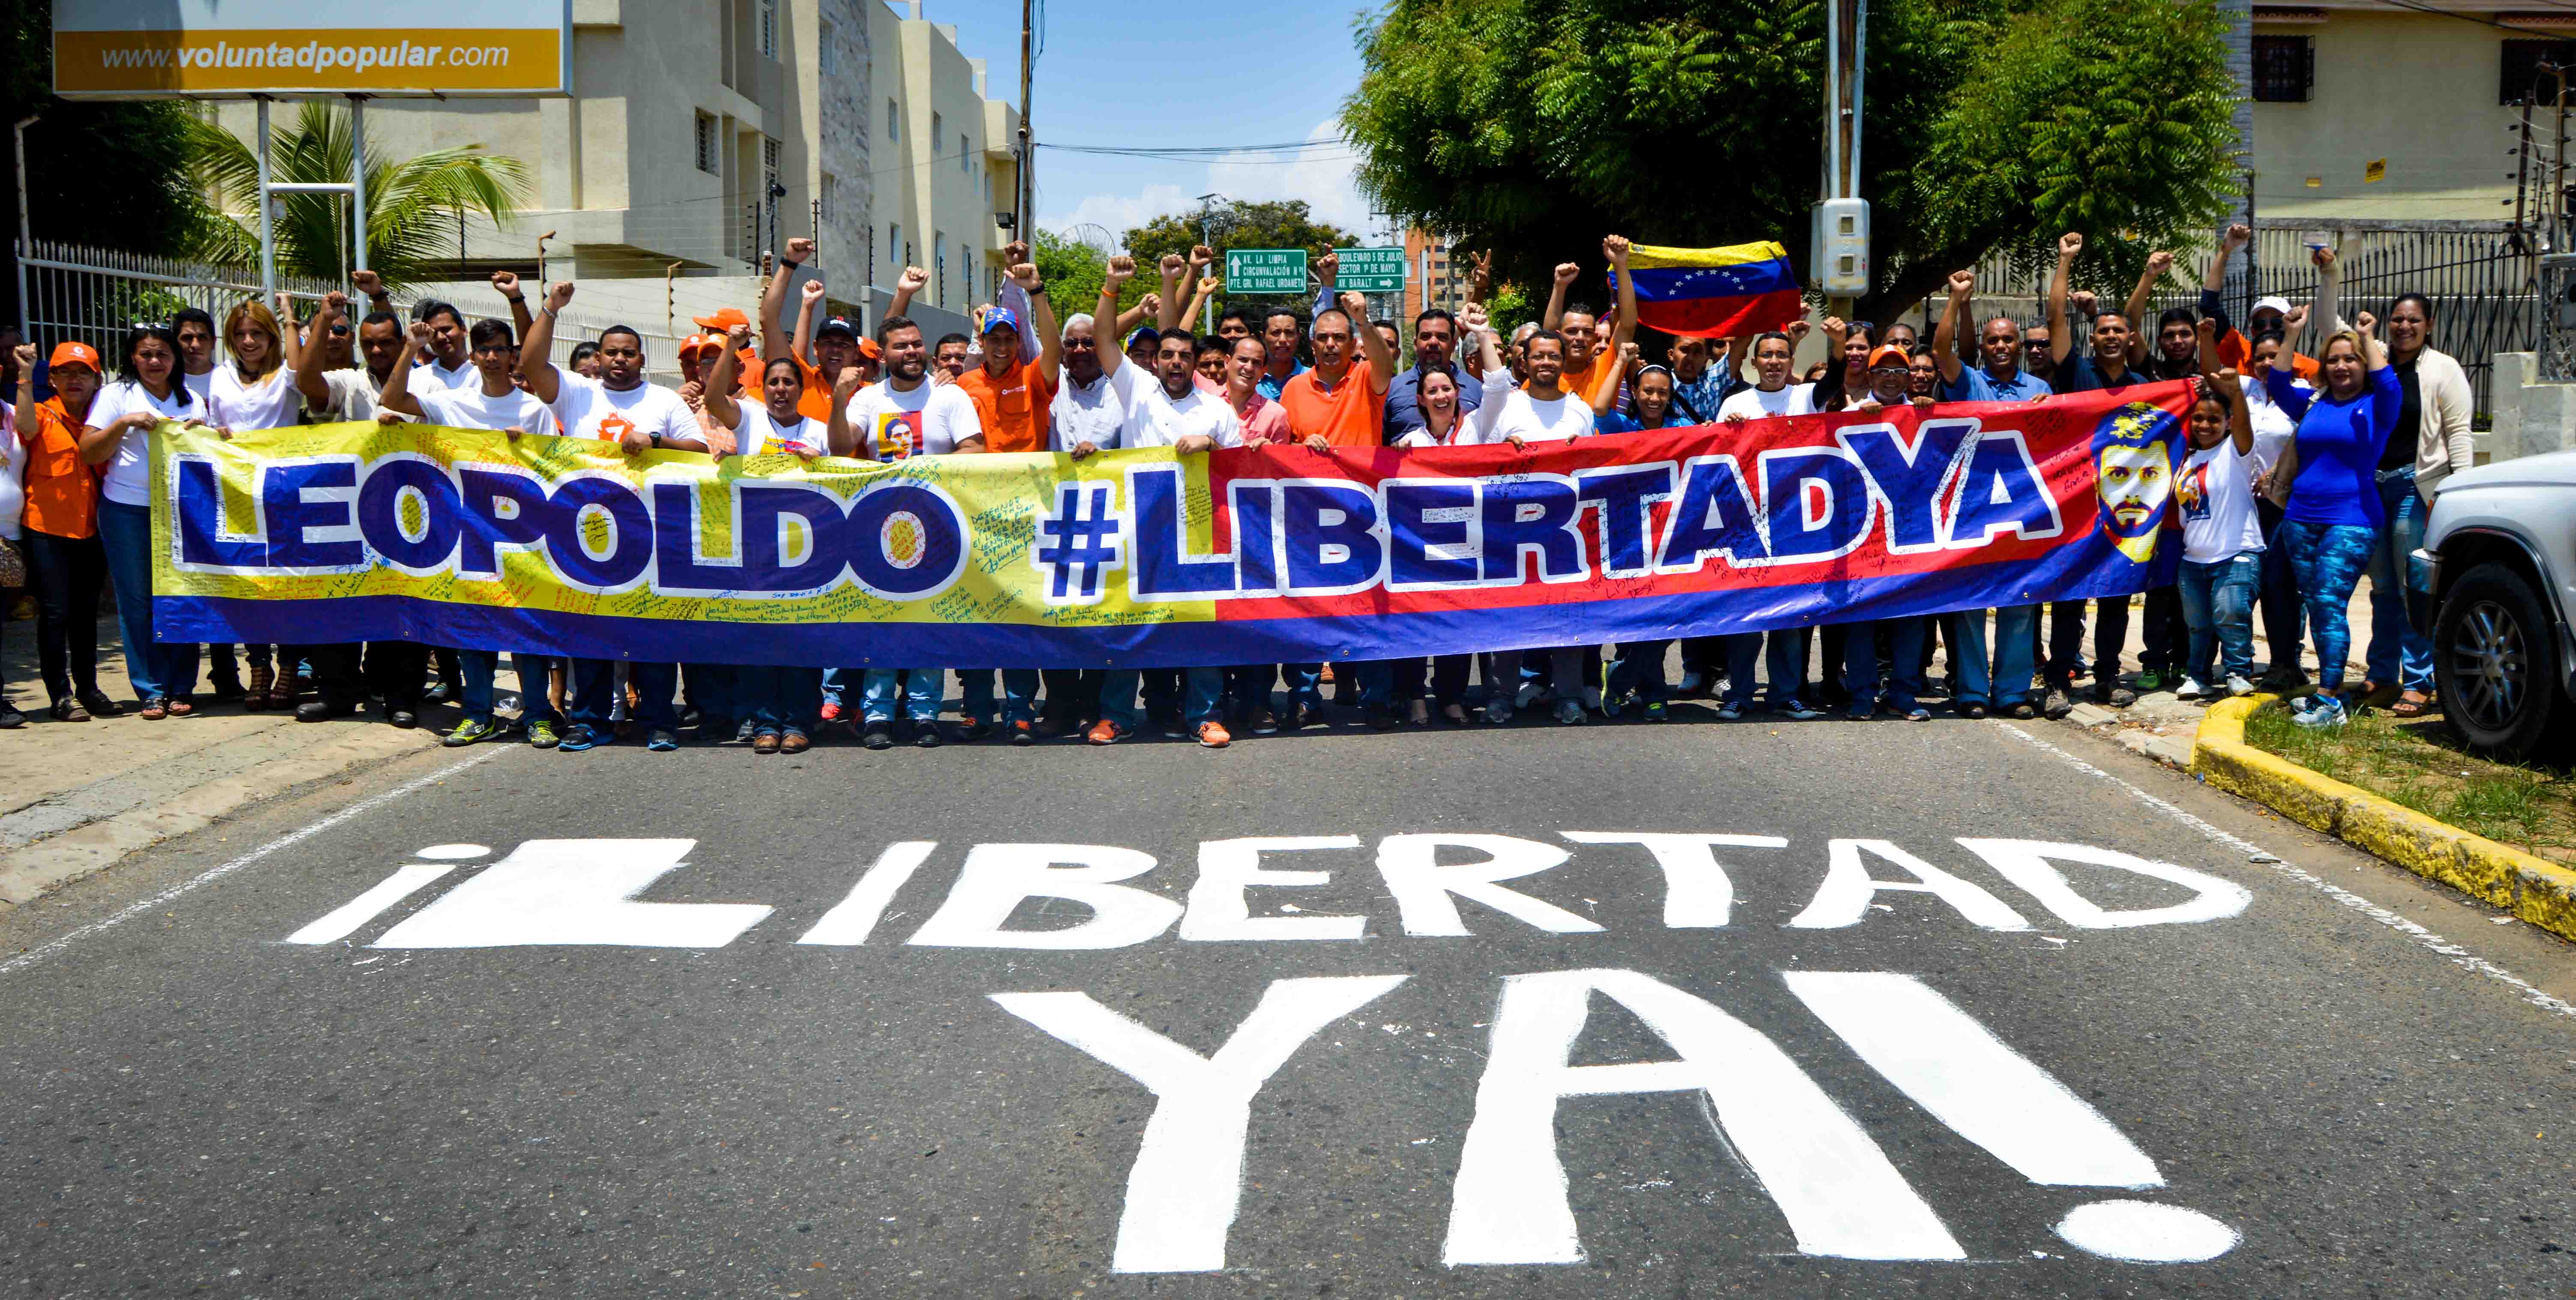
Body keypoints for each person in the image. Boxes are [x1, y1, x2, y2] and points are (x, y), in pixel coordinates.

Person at [518, 280, 703, 752]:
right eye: (612, 353)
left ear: (642, 359)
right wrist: (549, 309)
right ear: (598, 359)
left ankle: (660, 719)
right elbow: (532, 365)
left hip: (651, 536)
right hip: (586, 534)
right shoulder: (578, 392)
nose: (620, 360)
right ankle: (589, 720)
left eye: (629, 353)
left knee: (654, 633)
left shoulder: (664, 401)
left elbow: (701, 452)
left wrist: (657, 442)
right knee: (590, 631)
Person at [377, 316, 564, 746]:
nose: (493, 358)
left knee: (526, 626)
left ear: (512, 353)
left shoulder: (534, 410)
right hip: (463, 534)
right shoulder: (451, 402)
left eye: (500, 349)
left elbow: (555, 472)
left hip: (520, 536)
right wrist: (410, 347)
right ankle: (479, 714)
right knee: (471, 629)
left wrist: (525, 452)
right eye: (484, 350)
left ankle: (537, 714)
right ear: (474, 356)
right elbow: (391, 398)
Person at [1085, 256, 1245, 747]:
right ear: (1155, 361)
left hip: (1200, 535)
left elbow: (1244, 474)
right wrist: (1112, 286)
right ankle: (1117, 715)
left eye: (1184, 356)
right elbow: (1104, 339)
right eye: (1167, 355)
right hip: (1139, 532)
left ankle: (1205, 716)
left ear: (1195, 364)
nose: (1175, 363)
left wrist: (1211, 447)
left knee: (1200, 630)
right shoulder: (1137, 390)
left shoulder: (1217, 410)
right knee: (1129, 624)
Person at [838, 311, 985, 749]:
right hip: (877, 527)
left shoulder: (950, 397)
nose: (912, 352)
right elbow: (841, 447)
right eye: (901, 346)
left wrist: (922, 473)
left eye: (917, 344)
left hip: (938, 528)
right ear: (883, 355)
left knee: (927, 621)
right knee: (883, 622)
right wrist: (837, 399)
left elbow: (974, 450)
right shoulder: (867, 399)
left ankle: (924, 712)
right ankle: (879, 713)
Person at [1460, 296, 1597, 725]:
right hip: (1509, 532)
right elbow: (1483, 447)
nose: (1546, 363)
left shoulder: (1580, 410)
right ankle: (1501, 696)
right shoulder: (1504, 405)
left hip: (1564, 535)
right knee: (1506, 618)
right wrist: (1481, 334)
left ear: (1563, 362)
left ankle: (1569, 696)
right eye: (1538, 356)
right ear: (1525, 360)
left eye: (1553, 356)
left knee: (1568, 617)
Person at [699, 327, 834, 754]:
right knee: (757, 641)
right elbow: (713, 399)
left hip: (804, 556)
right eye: (773, 382)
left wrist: (822, 464)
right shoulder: (751, 416)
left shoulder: (820, 431)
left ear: (801, 388)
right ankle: (765, 723)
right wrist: (730, 347)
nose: (780, 389)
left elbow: (839, 491)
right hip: (754, 552)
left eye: (788, 382)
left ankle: (799, 722)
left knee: (799, 642)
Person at [2268, 304, 2400, 729]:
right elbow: (2277, 382)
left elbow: (2389, 382)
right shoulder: (2313, 402)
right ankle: (2329, 690)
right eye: (2334, 359)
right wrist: (2291, 334)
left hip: (2353, 518)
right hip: (2301, 519)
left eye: (2351, 359)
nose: (2342, 366)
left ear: (2364, 363)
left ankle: (2329, 701)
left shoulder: (2378, 406)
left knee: (2329, 601)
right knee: (2317, 604)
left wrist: (2366, 336)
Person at [2040, 231, 2156, 715]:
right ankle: (2058, 681)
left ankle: (2108, 676)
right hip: (2077, 506)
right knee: (2070, 599)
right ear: (2094, 338)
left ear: (2131, 339)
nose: (2112, 336)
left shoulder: (2146, 386)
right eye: (2104, 331)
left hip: (2125, 507)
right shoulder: (2077, 372)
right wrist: (2065, 261)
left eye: (2120, 331)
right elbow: (2055, 318)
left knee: (2115, 597)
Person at [1279, 277, 1400, 728]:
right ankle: (1306, 697)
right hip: (1309, 519)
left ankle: (1377, 698)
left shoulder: (1368, 376)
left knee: (1369, 610)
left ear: (1354, 345)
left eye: (1340, 338)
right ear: (1312, 345)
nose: (1331, 345)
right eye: (1324, 338)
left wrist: (1364, 319)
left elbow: (1386, 362)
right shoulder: (1292, 390)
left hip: (1363, 517)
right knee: (1310, 611)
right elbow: (1279, 455)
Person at [83, 323, 212, 718]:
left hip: (180, 512)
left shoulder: (192, 401)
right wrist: (123, 424)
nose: (154, 362)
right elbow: (88, 452)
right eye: (146, 355)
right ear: (133, 358)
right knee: (137, 602)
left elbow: (214, 456)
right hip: (127, 510)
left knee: (181, 595)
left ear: (175, 359)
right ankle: (150, 688)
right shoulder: (115, 395)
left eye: (163, 355)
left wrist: (207, 434)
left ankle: (181, 686)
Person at [2361, 290, 2475, 718]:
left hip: (2416, 484)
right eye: (2397, 319)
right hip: (2374, 486)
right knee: (2383, 588)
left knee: (2414, 588)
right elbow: (2326, 327)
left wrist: (2460, 492)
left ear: (2428, 325)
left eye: (2413, 320)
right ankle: (2383, 674)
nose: (2403, 326)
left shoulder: (2444, 369)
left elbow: (2459, 433)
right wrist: (2330, 273)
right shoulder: (2377, 361)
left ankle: (2421, 680)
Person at [12, 340, 118, 722]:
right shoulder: (41, 414)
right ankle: (60, 694)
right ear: (52, 378)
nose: (75, 380)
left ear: (96, 380)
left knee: (85, 614)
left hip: (91, 528)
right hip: (47, 528)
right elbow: (23, 429)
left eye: (83, 373)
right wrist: (26, 374)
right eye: (65, 372)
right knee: (55, 614)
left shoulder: (100, 419)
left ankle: (89, 689)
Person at [2173, 322, 2263, 701]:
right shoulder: (2186, 459)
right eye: (2199, 419)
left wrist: (2233, 393)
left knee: (2230, 617)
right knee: (2197, 625)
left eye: (2214, 419)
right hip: (2193, 559)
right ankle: (2197, 676)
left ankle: (2238, 672)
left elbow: (2243, 424)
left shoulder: (2236, 452)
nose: (2205, 425)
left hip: (2236, 553)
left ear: (2226, 423)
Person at [1931, 270, 2053, 401]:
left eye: (2008, 339)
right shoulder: (1969, 382)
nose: (2000, 346)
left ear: (2020, 347)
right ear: (1982, 349)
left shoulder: (2040, 388)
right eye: (1993, 341)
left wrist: (2048, 407)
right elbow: (1941, 352)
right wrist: (1956, 296)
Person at [1383, 308, 1484, 440]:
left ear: (1453, 345)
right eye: (1426, 337)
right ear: (1415, 344)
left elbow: (1490, 437)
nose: (1433, 342)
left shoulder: (1477, 389)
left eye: (1442, 337)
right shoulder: (1392, 389)